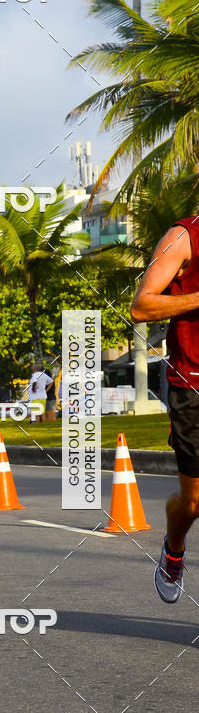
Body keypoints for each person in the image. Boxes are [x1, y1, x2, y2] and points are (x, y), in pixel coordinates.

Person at [131, 216, 199, 603]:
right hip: (192, 385)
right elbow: (142, 306)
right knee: (193, 502)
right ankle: (174, 549)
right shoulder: (183, 237)